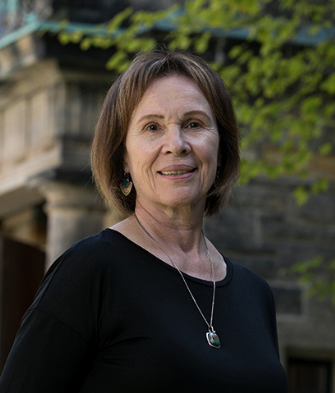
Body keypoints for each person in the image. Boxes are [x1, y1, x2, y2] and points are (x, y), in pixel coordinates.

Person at [0, 50, 288, 392]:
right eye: (153, 127)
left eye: (194, 124)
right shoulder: (91, 271)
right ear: (123, 158)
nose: (176, 144)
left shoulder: (254, 294)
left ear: (221, 149)